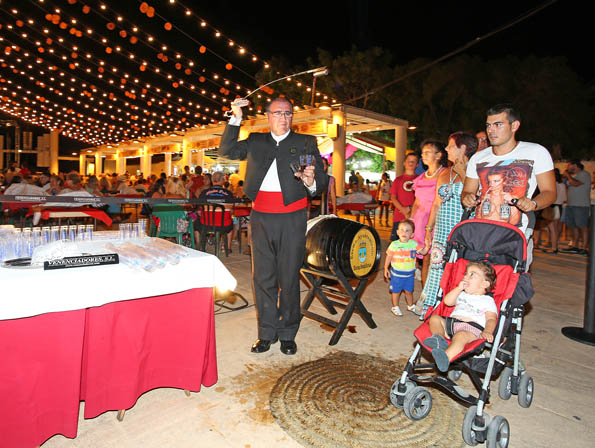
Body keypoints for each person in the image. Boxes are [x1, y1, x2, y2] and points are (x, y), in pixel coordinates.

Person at [219, 97, 328, 355]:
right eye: (278, 113)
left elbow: (321, 181)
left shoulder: (305, 142)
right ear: (268, 116)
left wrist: (312, 181)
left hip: (292, 217)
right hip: (261, 217)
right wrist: (235, 117)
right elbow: (227, 150)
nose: (283, 117)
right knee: (263, 276)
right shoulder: (256, 141)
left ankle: (288, 332)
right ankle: (266, 333)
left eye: (288, 113)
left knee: (289, 276)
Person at [462, 104, 556, 238]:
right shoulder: (478, 158)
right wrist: (467, 198)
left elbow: (550, 192)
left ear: (514, 126)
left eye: (498, 124)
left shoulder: (536, 152)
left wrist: (533, 204)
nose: (491, 130)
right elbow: (467, 191)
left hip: (516, 236)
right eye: (488, 125)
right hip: (479, 233)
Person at [418, 132, 478, 318]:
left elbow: (475, 200)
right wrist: (429, 230)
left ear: (463, 149)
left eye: (451, 146)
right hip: (441, 231)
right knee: (436, 268)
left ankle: (453, 311)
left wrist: (463, 173)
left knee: (458, 270)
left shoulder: (475, 173)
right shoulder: (445, 173)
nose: (446, 149)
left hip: (462, 232)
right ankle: (431, 308)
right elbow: (436, 203)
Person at [424, 261, 498, 372]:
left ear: (484, 284)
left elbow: (491, 318)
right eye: (466, 274)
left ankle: (445, 357)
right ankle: (438, 339)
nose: (466, 277)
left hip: (471, 329)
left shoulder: (488, 301)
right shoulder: (461, 294)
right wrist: (458, 289)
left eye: (472, 275)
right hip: (452, 323)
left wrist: (488, 331)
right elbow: (448, 302)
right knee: (435, 318)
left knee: (460, 337)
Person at [411, 140, 446, 287]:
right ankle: (423, 293)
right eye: (422, 153)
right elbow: (417, 202)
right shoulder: (420, 178)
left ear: (438, 155)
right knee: (420, 257)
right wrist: (410, 221)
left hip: (436, 221)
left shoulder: (445, 174)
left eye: (428, 152)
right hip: (419, 221)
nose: (423, 155)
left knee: (433, 258)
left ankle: (432, 292)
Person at [384, 220, 427, 316]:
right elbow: (389, 257)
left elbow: (423, 252)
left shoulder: (414, 244)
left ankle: (410, 305)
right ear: (398, 232)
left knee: (409, 291)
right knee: (396, 291)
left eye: (407, 231)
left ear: (412, 235)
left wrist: (427, 246)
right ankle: (395, 307)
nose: (404, 232)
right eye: (402, 230)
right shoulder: (394, 245)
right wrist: (386, 268)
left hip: (409, 275)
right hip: (397, 274)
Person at [196, 171, 236, 250]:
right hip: (224, 225)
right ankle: (227, 248)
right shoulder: (229, 194)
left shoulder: (204, 193)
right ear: (223, 180)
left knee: (196, 224)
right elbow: (231, 211)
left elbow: (200, 210)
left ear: (212, 180)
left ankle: (200, 247)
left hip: (206, 224)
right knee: (231, 223)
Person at [561, 160, 590, 255]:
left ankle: (585, 248)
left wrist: (568, 176)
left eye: (569, 166)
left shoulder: (584, 174)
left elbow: (575, 184)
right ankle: (575, 246)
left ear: (575, 165)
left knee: (582, 226)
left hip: (581, 205)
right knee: (572, 226)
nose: (567, 168)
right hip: (571, 204)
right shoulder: (574, 176)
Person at [389, 153, 418, 241]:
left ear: (417, 165)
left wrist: (410, 209)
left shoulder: (420, 179)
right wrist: (403, 209)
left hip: (415, 217)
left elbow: (420, 199)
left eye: (413, 161)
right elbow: (393, 197)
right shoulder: (398, 180)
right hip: (399, 217)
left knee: (413, 244)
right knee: (397, 244)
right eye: (409, 161)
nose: (411, 163)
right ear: (404, 163)